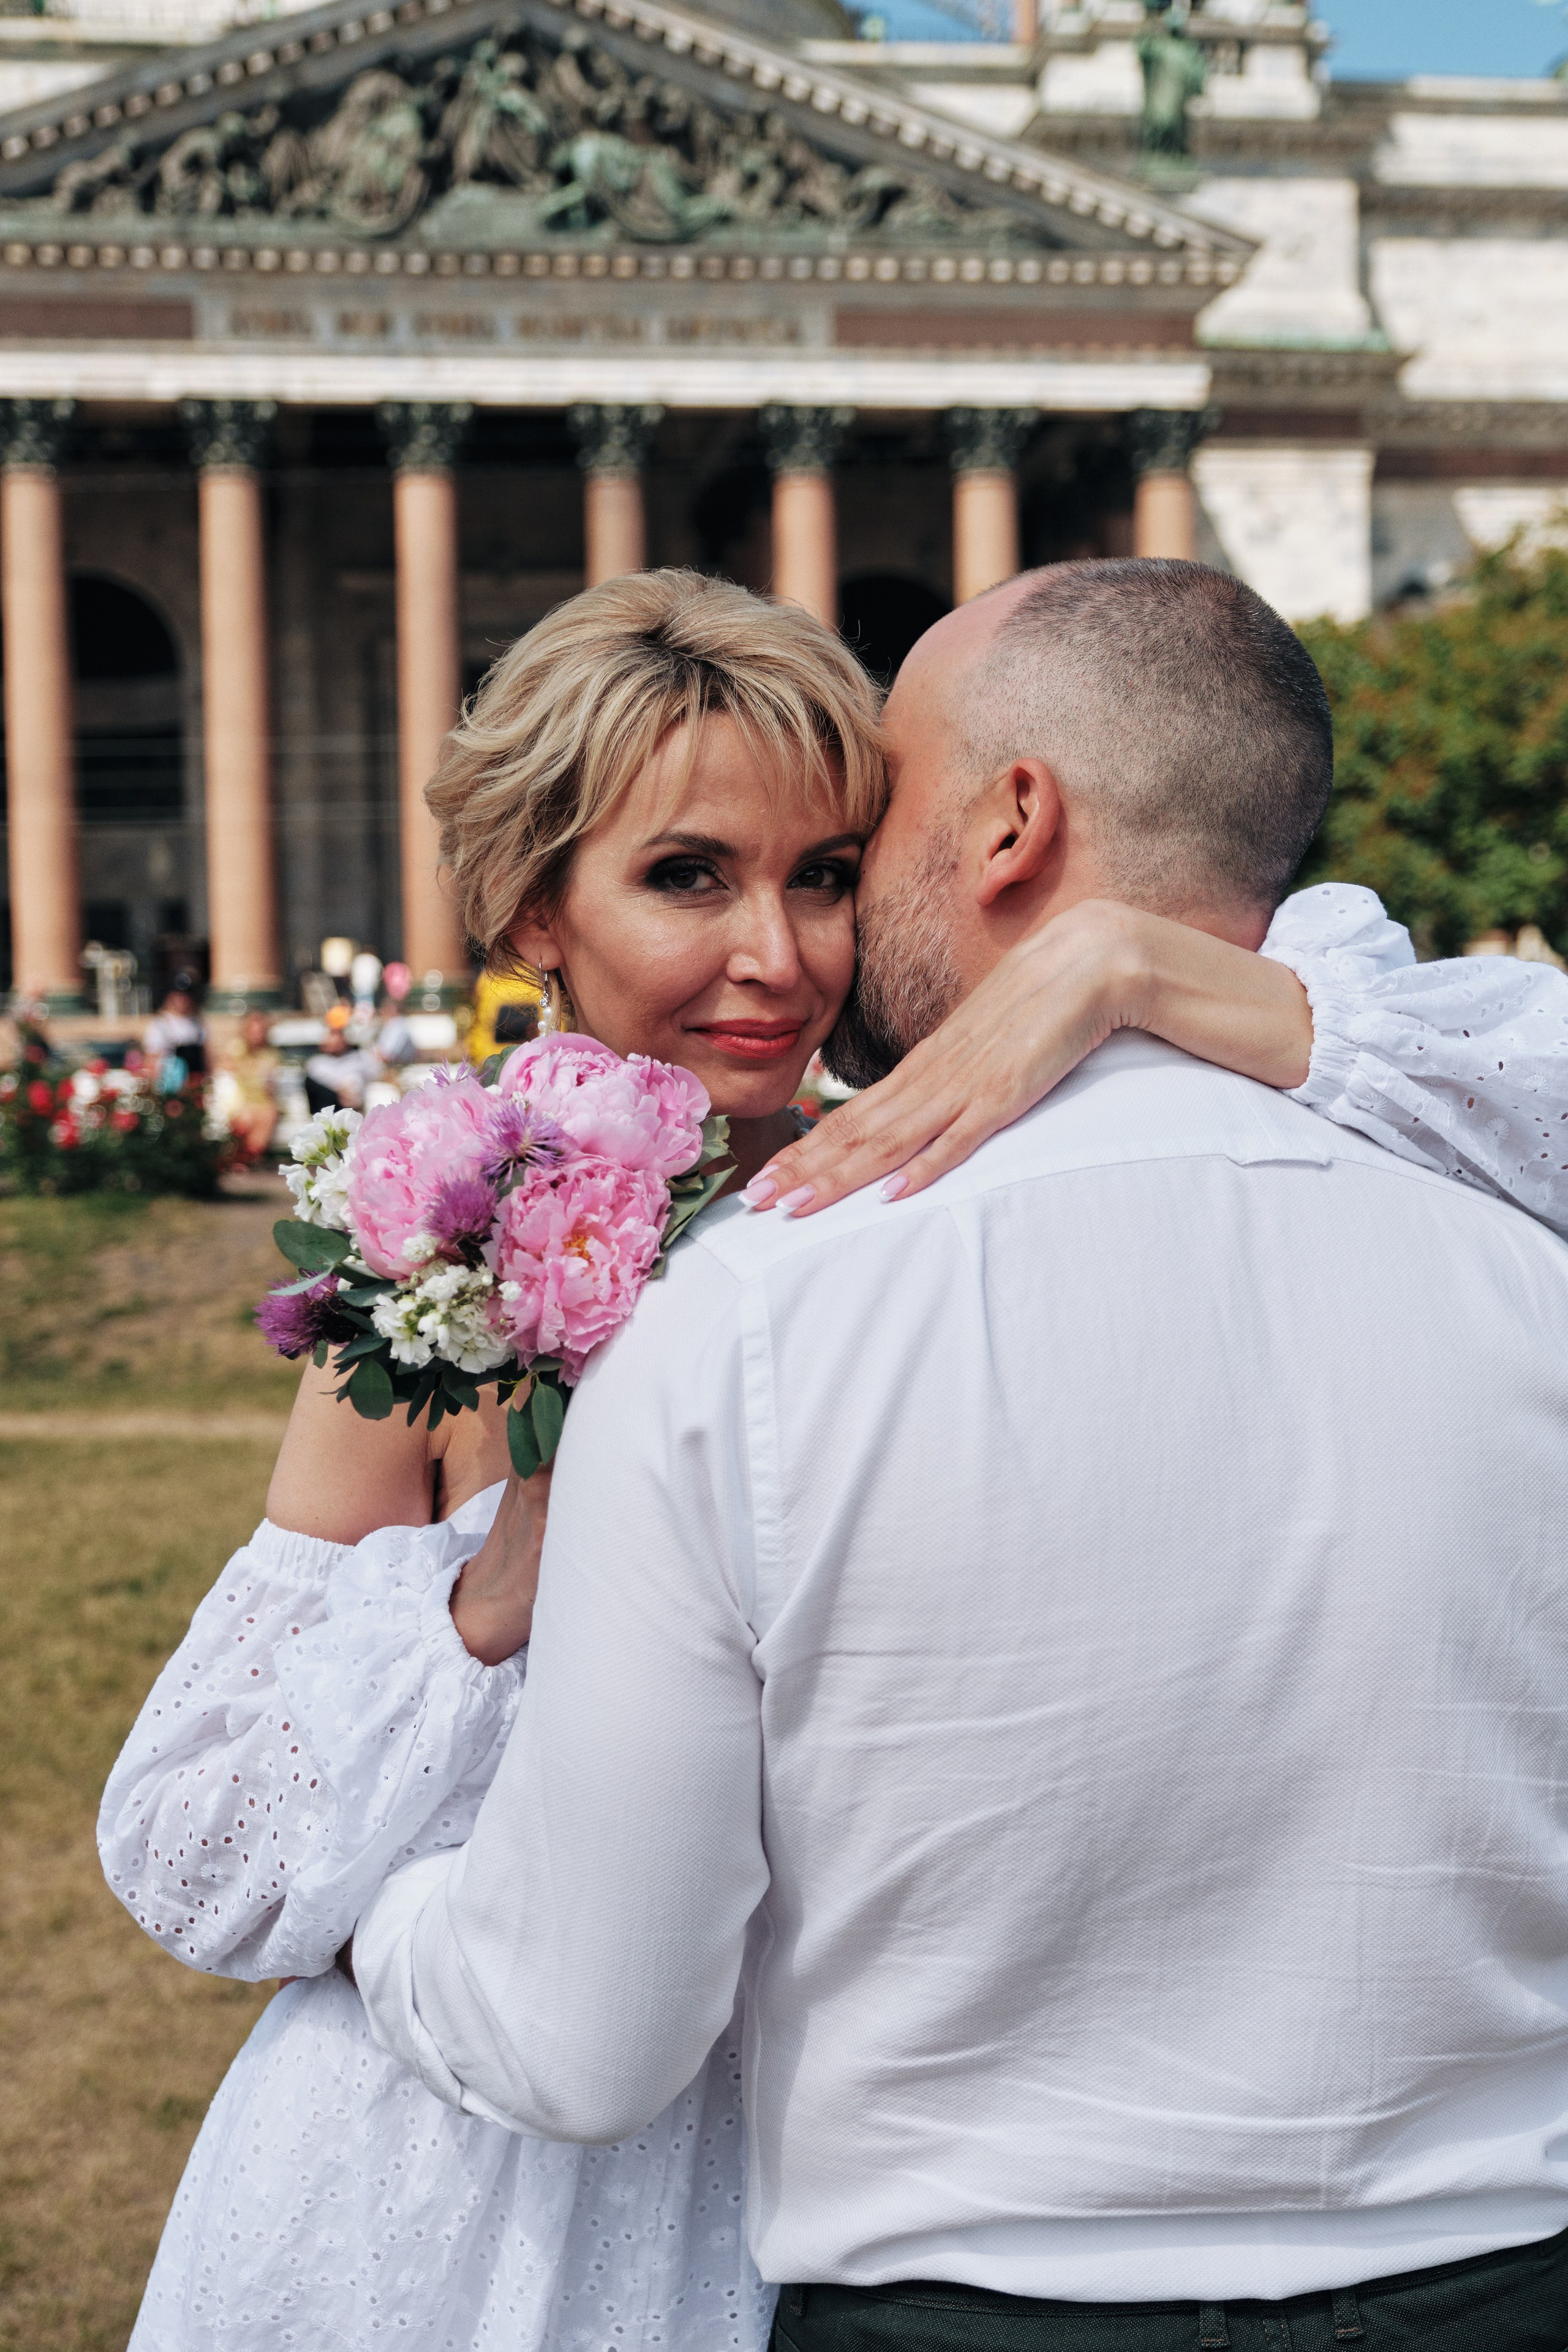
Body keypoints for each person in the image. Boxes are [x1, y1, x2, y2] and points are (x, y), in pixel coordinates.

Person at [100, 570, 1568, 2352]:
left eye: (824, 871)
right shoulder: (437, 1266)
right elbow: (190, 1841)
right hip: (466, 2179)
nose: (780, 954)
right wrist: (499, 1589)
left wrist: (1123, 961)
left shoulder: (930, 1171)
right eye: (688, 874)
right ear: (527, 912)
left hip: (861, 2156)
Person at [217, 1011, 281, 1163]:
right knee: (248, 1116)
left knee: (268, 1114)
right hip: (240, 1099)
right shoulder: (236, 1049)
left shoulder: (271, 1054)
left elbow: (271, 1083)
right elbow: (224, 1073)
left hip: (263, 1100)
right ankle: (240, 1159)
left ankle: (248, 1158)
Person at [143, 976, 206, 1091]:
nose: (182, 1000)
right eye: (178, 996)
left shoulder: (198, 1024)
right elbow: (151, 1059)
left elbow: (206, 1056)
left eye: (185, 996)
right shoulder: (160, 1024)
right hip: (171, 1085)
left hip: (195, 1083)